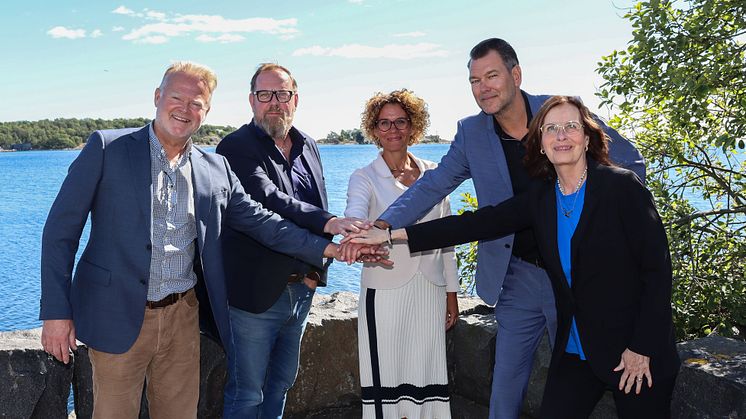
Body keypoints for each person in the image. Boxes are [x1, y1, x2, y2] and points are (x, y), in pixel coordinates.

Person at [38, 61, 379, 419]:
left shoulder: (214, 169)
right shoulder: (108, 148)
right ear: (157, 97)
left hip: (183, 318)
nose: (185, 109)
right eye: (177, 97)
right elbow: (61, 231)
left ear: (207, 110)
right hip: (119, 314)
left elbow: (264, 222)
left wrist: (330, 248)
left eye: (196, 103)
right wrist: (57, 313)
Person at [348, 96, 681, 419]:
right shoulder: (541, 196)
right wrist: (391, 234)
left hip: (634, 352)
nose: (561, 136)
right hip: (577, 351)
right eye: (550, 129)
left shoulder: (621, 187)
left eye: (570, 127)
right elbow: (478, 223)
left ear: (587, 136)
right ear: (538, 143)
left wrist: (642, 347)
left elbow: (656, 273)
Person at [216, 63, 373, 418]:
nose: (274, 103)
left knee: (281, 385)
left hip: (301, 291)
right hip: (254, 298)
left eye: (282, 94)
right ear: (252, 101)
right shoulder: (235, 147)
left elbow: (316, 202)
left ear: (295, 99)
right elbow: (268, 199)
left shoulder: (309, 146)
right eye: (265, 95)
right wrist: (332, 224)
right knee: (246, 395)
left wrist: (317, 272)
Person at [344, 89, 459, 418]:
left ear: (413, 126)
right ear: (374, 129)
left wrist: (451, 293)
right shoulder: (363, 177)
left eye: (400, 122)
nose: (393, 129)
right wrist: (359, 235)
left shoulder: (436, 174)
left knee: (428, 378)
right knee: (388, 384)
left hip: (430, 291)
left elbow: (447, 239)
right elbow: (356, 215)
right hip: (384, 293)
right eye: (384, 123)